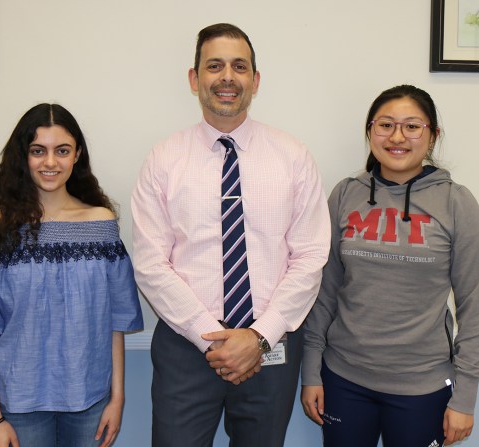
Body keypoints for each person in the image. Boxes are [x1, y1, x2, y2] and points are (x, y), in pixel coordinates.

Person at [131, 23, 330, 447]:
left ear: (255, 81)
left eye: (239, 67)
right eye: (214, 65)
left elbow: (311, 256)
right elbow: (150, 264)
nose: (227, 77)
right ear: (194, 78)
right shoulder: (164, 159)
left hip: (271, 347)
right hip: (186, 346)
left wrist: (258, 336)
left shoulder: (293, 157)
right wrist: (211, 336)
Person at [301, 84, 479, 447]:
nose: (397, 137)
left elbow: (476, 311)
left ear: (433, 135)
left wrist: (465, 398)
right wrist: (311, 371)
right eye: (385, 125)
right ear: (370, 132)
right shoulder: (345, 194)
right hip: (343, 379)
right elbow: (323, 292)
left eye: (412, 126)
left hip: (422, 387)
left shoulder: (457, 203)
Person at [0, 103, 143, 447]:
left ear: (77, 156)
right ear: (22, 156)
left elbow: (114, 319)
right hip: (19, 404)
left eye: (62, 151)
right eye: (38, 151)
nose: (51, 162)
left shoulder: (100, 225)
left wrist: (118, 398)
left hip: (91, 401)